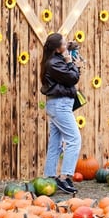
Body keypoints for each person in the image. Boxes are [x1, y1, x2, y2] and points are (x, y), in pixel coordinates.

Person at [39, 33, 81, 194]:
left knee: (55, 142)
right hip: (60, 105)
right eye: (63, 44)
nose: (66, 46)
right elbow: (72, 78)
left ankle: (49, 177)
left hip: (58, 104)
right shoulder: (54, 64)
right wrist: (72, 63)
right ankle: (65, 178)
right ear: (58, 49)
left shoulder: (54, 59)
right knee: (74, 140)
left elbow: (70, 77)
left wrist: (70, 48)